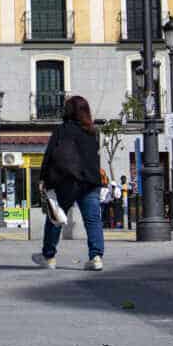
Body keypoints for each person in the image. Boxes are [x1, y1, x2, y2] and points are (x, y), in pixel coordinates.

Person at [33, 96, 105, 271]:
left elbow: (49, 156)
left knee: (55, 218)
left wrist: (43, 178)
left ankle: (49, 257)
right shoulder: (92, 132)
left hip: (65, 181)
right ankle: (96, 257)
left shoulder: (61, 130)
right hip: (90, 182)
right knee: (93, 220)